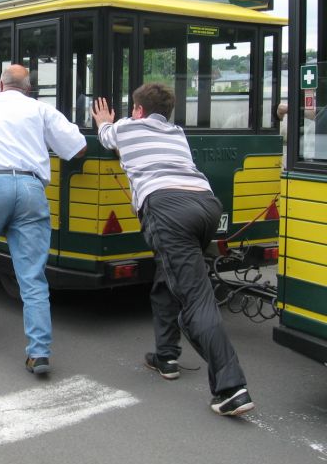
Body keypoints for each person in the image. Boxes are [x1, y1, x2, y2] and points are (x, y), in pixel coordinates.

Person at [91, 83, 255, 417]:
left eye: (133, 108)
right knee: (169, 278)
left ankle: (231, 388)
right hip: (205, 204)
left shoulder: (128, 127)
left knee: (196, 298)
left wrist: (104, 121)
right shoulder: (177, 133)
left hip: (168, 209)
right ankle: (166, 356)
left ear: (138, 110)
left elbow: (106, 136)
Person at [0, 64, 87, 375]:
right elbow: (77, 148)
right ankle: (39, 352)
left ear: (0, 84)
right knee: (32, 276)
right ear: (29, 88)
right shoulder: (40, 109)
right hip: (32, 188)